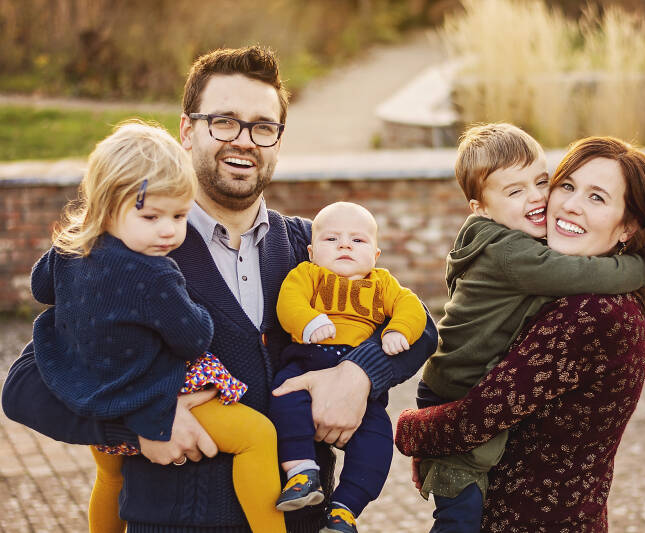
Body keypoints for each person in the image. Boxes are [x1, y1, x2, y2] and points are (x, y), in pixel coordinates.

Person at [2, 46, 437, 533]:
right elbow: (22, 387)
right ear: (187, 131)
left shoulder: (308, 245)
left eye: (262, 127)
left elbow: (419, 325)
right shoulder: (131, 251)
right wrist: (139, 427)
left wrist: (357, 375)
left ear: (277, 139)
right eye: (224, 121)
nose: (244, 140)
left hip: (300, 521)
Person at [411, 124, 645, 533]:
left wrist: (410, 431)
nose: (564, 204)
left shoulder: (591, 315)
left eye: (596, 197)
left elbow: (476, 419)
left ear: (628, 225)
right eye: (567, 186)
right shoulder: (542, 270)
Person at [30, 121, 286, 533]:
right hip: (155, 390)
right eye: (150, 215)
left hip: (91, 389)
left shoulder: (69, 251)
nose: (168, 230)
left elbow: (41, 287)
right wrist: (198, 309)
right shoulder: (155, 274)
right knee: (257, 436)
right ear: (105, 206)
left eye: (180, 215)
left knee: (111, 477)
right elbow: (193, 337)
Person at [270, 201, 427, 533]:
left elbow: (413, 309)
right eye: (331, 240)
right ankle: (301, 472)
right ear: (311, 252)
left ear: (375, 255)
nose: (344, 245)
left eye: (358, 240)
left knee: (379, 438)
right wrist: (309, 321)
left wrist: (399, 330)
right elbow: (289, 300)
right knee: (285, 397)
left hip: (359, 384)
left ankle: (345, 508)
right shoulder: (308, 274)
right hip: (305, 364)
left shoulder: (382, 284)